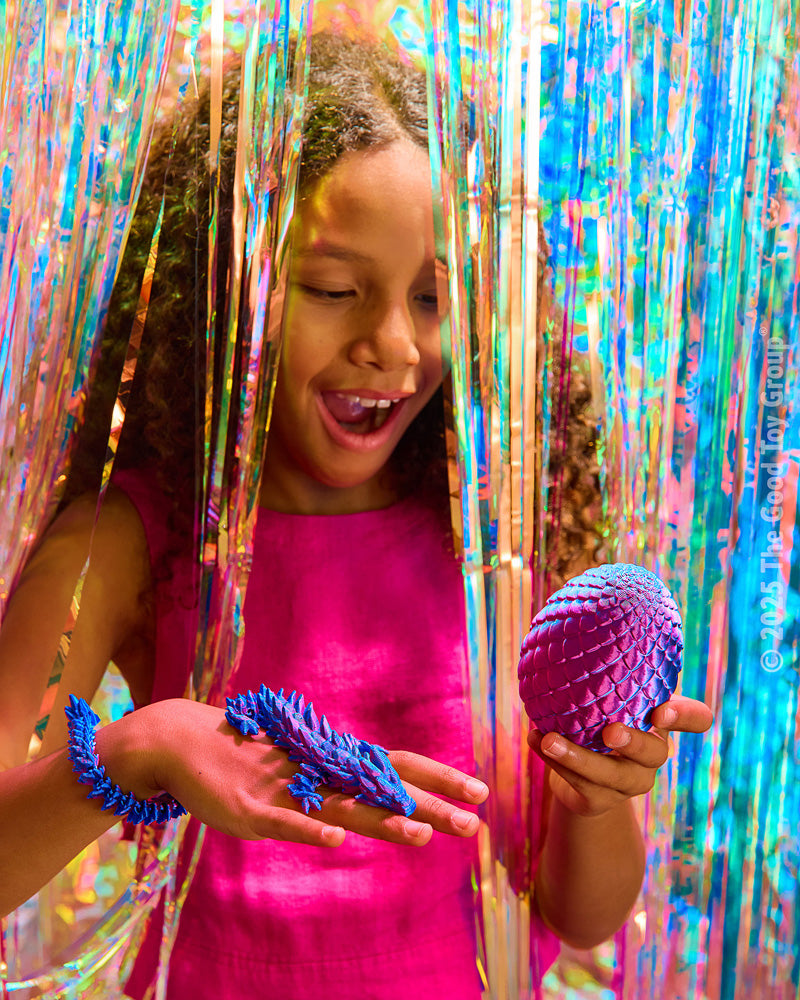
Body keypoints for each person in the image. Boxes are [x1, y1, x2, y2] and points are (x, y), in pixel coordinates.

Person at [0, 31, 712, 1000]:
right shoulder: (127, 539)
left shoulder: (491, 541)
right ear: (220, 288)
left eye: (432, 296)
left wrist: (594, 800)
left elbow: (578, 916)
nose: (393, 345)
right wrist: (141, 747)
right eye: (333, 290)